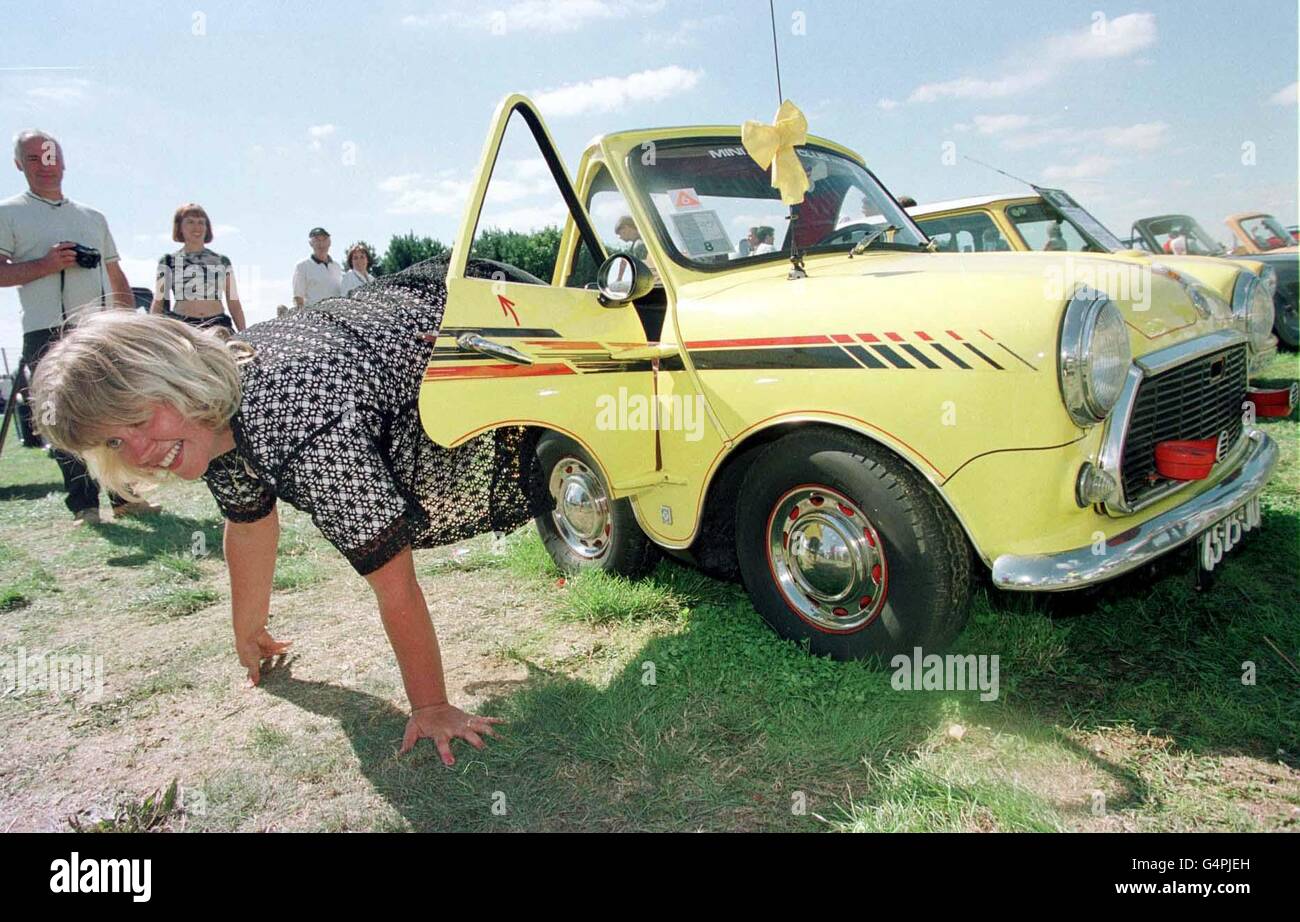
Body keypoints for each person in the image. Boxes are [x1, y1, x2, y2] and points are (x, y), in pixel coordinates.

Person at [29, 260, 529, 761]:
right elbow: (248, 523)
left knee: (555, 455)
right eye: (115, 439)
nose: (137, 452)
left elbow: (394, 579)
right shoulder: (204, 422)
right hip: (389, 345)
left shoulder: (298, 419)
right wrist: (248, 631)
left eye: (138, 418)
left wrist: (432, 706)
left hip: (489, 318)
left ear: (177, 377)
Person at [0, 128, 159, 524]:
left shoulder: (92, 217)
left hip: (98, 329)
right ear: (19, 164)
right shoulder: (8, 213)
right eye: (34, 158)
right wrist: (46, 264)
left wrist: (128, 329)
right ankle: (84, 505)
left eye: (51, 157)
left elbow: (116, 275)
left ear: (64, 162)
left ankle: (125, 497)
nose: (45, 166)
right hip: (45, 330)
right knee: (62, 418)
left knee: (116, 411)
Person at [151, 203, 245, 334]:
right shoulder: (167, 261)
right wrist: (151, 334)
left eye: (201, 222)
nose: (197, 227)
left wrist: (244, 334)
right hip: (183, 328)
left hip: (218, 326)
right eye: (190, 222)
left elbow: (234, 302)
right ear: (180, 227)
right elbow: (158, 301)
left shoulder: (222, 261)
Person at [291, 227, 342, 308]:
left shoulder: (337, 266)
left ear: (329, 243)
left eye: (324, 240)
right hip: (314, 317)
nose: (321, 244)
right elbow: (298, 297)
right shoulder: (302, 266)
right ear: (311, 244)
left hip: (336, 316)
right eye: (317, 240)